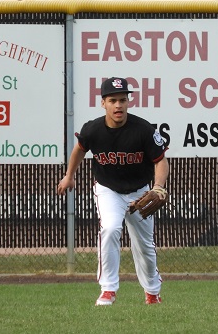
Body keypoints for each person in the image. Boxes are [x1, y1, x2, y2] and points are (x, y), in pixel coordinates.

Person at [57, 77, 169, 306]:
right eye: (113, 100)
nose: (118, 105)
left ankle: (152, 291)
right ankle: (108, 289)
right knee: (109, 228)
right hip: (108, 190)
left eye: (122, 100)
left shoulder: (143, 129)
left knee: (144, 245)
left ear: (128, 102)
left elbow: (160, 161)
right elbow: (79, 150)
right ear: (103, 103)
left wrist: (158, 187)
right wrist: (70, 175)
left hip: (139, 191)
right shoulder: (93, 129)